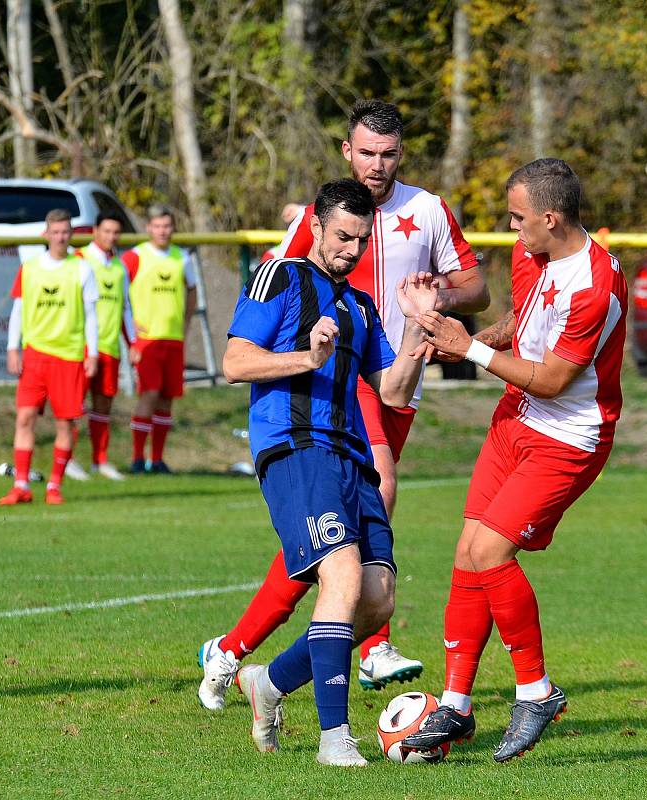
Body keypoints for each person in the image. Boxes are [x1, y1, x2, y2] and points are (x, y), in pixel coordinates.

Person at [197, 99, 490, 709]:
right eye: (366, 153)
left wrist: (431, 299)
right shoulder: (321, 216)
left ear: (399, 154)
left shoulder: (428, 209)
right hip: (342, 376)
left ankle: (235, 654)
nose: (376, 166)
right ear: (346, 152)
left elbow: (478, 289)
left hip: (396, 365)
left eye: (387, 154)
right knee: (372, 498)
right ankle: (374, 646)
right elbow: (280, 277)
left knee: (329, 545)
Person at [400, 158, 628, 762]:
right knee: (467, 553)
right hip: (514, 421)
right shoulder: (533, 255)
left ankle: (536, 690)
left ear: (551, 218)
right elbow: (521, 326)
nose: (511, 227)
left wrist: (468, 348)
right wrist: (459, 338)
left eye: (519, 217)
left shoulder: (597, 285)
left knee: (491, 552)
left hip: (569, 437)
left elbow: (553, 378)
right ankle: (455, 706)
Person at [223, 178, 436, 766]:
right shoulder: (280, 277)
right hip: (295, 447)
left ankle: (267, 684)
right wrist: (306, 358)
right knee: (340, 575)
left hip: (351, 456)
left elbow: (392, 392)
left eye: (361, 240)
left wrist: (419, 327)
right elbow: (234, 362)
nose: (351, 249)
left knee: (376, 599)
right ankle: (334, 741)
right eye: (342, 236)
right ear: (315, 226)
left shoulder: (362, 307)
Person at [0, 209, 99, 506]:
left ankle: (54, 485)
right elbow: (18, 309)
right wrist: (12, 347)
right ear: (46, 234)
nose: (60, 237)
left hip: (68, 357)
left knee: (65, 425)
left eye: (65, 232)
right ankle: (21, 486)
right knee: (25, 417)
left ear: (71, 235)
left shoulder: (82, 269)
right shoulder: (30, 268)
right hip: (35, 356)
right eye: (55, 232)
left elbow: (91, 314)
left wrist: (91, 353)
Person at [123, 204, 197, 473]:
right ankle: (136, 458)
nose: (162, 231)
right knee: (149, 394)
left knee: (167, 399)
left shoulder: (182, 258)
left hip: (173, 339)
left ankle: (157, 459)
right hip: (147, 341)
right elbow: (121, 294)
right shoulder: (135, 257)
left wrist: (186, 323)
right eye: (157, 226)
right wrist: (131, 328)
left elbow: (191, 291)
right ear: (148, 227)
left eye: (167, 226)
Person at [69, 213, 140, 480]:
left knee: (103, 405)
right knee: (75, 405)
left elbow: (125, 308)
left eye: (115, 232)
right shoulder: (80, 260)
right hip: (82, 347)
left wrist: (132, 342)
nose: (111, 237)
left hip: (109, 346)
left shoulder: (119, 267)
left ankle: (100, 460)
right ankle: (68, 459)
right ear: (95, 231)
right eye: (106, 231)